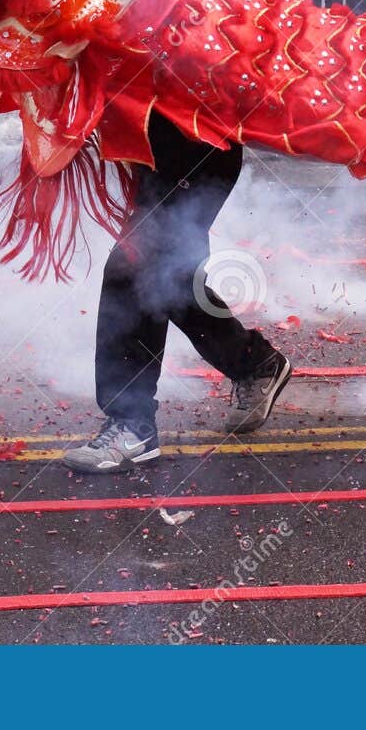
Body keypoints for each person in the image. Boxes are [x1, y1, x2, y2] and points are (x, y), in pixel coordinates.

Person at [61, 110, 293, 474]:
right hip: (157, 131)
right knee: (169, 275)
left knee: (136, 266)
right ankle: (253, 363)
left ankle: (132, 424)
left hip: (197, 135)